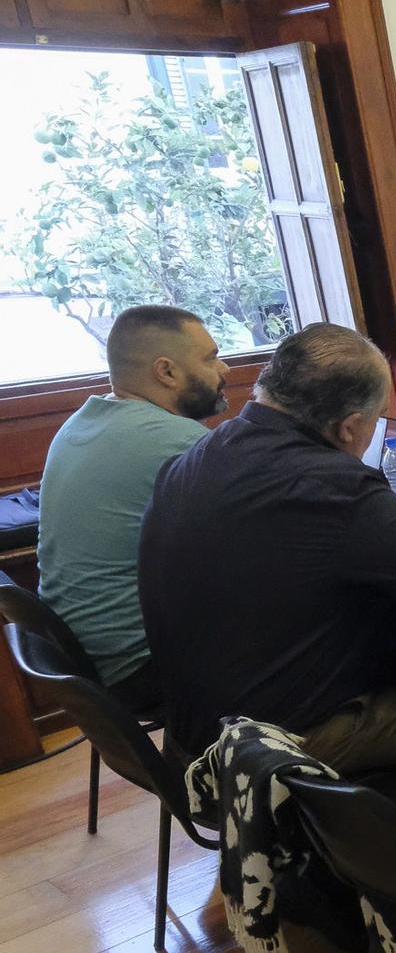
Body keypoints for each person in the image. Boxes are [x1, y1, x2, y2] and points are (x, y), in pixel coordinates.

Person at [138, 323, 396, 769]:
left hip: (197, 734)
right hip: (275, 749)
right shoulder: (336, 486)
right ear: (350, 427)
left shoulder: (190, 461)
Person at [38, 305, 228, 713]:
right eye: (210, 357)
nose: (224, 367)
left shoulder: (81, 424)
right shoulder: (174, 439)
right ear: (167, 372)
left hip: (88, 663)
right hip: (143, 669)